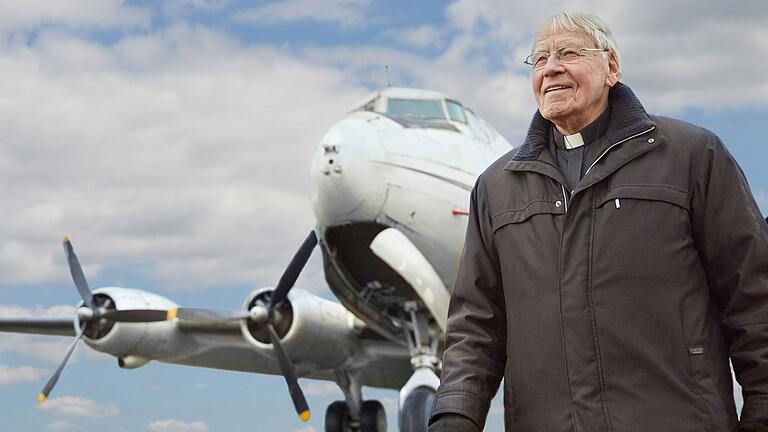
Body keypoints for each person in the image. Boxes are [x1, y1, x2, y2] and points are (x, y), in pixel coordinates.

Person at [428, 11, 768, 432]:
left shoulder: (693, 156)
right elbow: (475, 325)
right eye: (539, 59)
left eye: (568, 52)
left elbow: (753, 293)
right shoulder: (496, 188)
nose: (551, 67)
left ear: (611, 67)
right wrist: (455, 414)